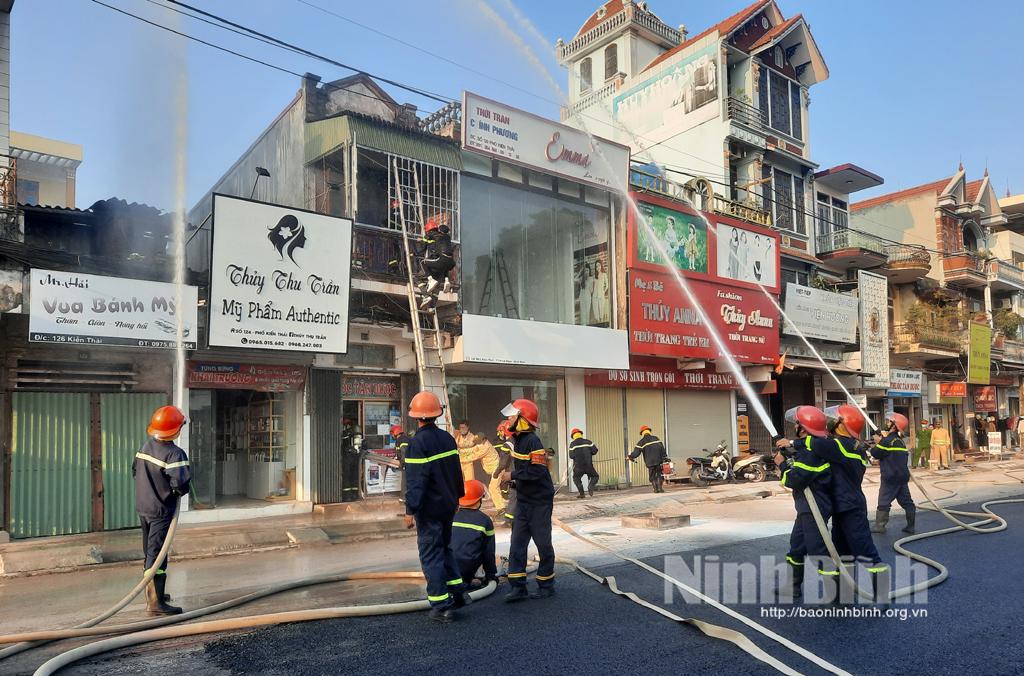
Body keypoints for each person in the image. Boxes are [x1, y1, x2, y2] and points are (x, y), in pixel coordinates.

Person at [403, 391, 467, 623]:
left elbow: (416, 481)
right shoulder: (448, 438)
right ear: (437, 414)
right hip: (449, 506)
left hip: (428, 510)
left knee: (431, 554)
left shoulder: (417, 443)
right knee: (445, 548)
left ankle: (441, 605)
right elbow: (456, 473)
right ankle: (458, 592)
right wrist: (458, 497)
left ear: (416, 416)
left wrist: (410, 510)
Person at [819, 405, 887, 588]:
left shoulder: (840, 445)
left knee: (864, 549)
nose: (830, 420)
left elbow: (814, 444)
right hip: (842, 505)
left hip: (850, 506)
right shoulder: (849, 445)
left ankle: (880, 593)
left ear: (843, 424)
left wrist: (792, 441)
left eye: (834, 418)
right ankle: (843, 588)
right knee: (841, 550)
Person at [133, 405, 192, 616]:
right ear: (175, 430)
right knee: (157, 555)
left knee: (150, 551)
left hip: (144, 507)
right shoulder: (175, 454)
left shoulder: (145, 447)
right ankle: (155, 603)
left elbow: (134, 471)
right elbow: (181, 486)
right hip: (160, 510)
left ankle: (155, 593)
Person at [774, 406, 833, 599]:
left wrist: (781, 464)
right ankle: (793, 586)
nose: (795, 426)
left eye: (798, 423)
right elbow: (801, 461)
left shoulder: (812, 452)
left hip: (815, 507)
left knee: (818, 551)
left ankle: (839, 592)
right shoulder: (813, 446)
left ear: (804, 428)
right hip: (806, 508)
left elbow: (794, 480)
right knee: (797, 546)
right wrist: (790, 452)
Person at [501, 398, 556, 602]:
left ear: (523, 420)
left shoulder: (533, 442)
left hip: (539, 502)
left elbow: (537, 472)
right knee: (517, 543)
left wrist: (511, 476)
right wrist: (514, 484)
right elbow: (525, 471)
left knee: (543, 543)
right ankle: (518, 587)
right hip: (524, 501)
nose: (509, 420)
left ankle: (546, 584)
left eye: (513, 416)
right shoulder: (518, 441)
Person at [870, 413, 916, 535]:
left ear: (894, 426)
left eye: (890, 421)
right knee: (907, 502)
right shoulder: (900, 441)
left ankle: (880, 526)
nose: (887, 422)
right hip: (902, 477)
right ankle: (910, 526)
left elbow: (875, 453)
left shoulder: (887, 441)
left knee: (884, 501)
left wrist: (877, 442)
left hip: (890, 477)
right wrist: (883, 440)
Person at [451, 480, 498, 588]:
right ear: (479, 500)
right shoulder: (485, 521)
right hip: (466, 568)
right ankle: (467, 580)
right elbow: (489, 552)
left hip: (445, 568)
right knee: (481, 547)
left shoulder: (450, 516)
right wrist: (490, 575)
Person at [455, 421, 505, 515]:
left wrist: (458, 458)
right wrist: (460, 451)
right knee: (495, 488)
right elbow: (472, 449)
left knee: (493, 488)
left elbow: (473, 456)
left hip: (497, 470)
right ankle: (501, 507)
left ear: (483, 440)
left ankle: (501, 509)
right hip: (494, 469)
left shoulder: (485, 448)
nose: (476, 443)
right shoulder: (482, 444)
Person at [417, 219, 455, 311]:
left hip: (434, 263)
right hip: (444, 266)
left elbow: (421, 249)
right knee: (436, 287)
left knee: (418, 278)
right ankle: (432, 307)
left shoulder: (430, 235)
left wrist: (418, 245)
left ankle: (426, 296)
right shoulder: (445, 238)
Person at [492, 420, 516, 526]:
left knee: (513, 496)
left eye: (501, 431)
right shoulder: (522, 441)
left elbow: (503, 463)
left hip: (514, 474)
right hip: (524, 473)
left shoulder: (508, 444)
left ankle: (509, 521)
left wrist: (496, 473)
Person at [629, 425, 667, 493]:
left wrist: (630, 456)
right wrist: (665, 457)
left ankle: (655, 489)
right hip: (659, 461)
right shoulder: (656, 438)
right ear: (649, 431)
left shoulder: (641, 442)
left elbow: (636, 453)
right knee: (659, 474)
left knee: (652, 475)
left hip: (650, 462)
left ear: (642, 433)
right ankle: (660, 489)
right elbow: (662, 449)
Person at [569, 428, 600, 498]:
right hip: (589, 465)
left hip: (578, 467)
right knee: (595, 476)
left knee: (576, 479)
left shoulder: (572, 444)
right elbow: (595, 451)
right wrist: (589, 453)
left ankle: (582, 494)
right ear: (581, 434)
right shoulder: (588, 442)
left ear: (573, 436)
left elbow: (571, 456)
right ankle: (591, 486)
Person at [392, 424, 411, 502]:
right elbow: (399, 453)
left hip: (408, 463)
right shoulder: (400, 439)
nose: (392, 435)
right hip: (407, 463)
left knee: (405, 481)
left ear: (396, 432)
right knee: (406, 481)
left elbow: (404, 452)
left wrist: (402, 464)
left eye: (392, 433)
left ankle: (404, 498)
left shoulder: (402, 440)